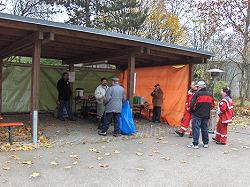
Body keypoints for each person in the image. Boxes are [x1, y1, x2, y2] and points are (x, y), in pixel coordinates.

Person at [188, 80, 214, 149]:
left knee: (196, 129)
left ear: (199, 87)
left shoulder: (197, 94)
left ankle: (195, 144)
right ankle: (206, 143)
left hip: (197, 114)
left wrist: (191, 111)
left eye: (197, 87)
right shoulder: (210, 94)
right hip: (206, 115)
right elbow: (212, 105)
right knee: (205, 128)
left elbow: (192, 105)